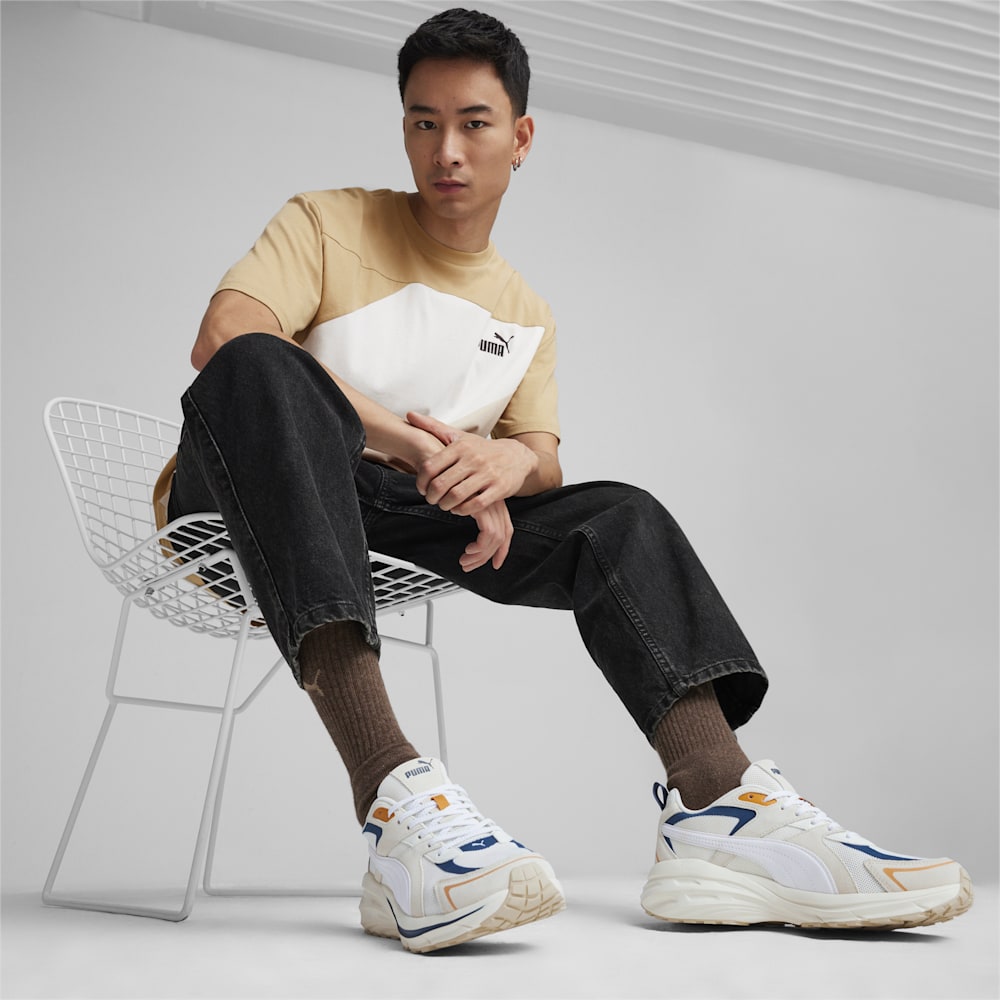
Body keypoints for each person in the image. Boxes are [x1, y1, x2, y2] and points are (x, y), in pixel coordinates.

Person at [156, 7, 972, 953]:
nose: (447, 150)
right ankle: (391, 804)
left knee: (621, 518)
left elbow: (542, 455)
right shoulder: (328, 220)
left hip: (392, 520)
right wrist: (411, 443)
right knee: (263, 362)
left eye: (474, 123)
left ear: (520, 137)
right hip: (243, 500)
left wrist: (507, 467)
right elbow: (225, 338)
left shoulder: (524, 311)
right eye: (424, 122)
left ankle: (719, 810)